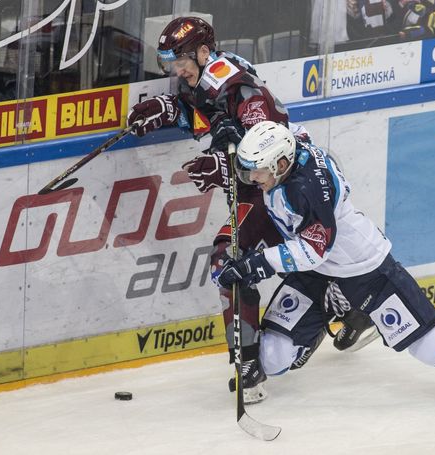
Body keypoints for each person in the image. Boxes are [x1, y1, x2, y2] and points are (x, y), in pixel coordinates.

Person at [217, 121, 435, 399]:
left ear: (280, 164)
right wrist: (241, 133)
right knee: (273, 361)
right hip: (320, 274)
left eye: (256, 171)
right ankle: (336, 306)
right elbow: (293, 130)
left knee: (433, 349)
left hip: (365, 270)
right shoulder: (292, 151)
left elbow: (312, 250)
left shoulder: (304, 190)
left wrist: (256, 264)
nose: (251, 179)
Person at [125, 17, 373, 404]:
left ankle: (265, 353)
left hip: (274, 195)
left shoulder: (242, 88)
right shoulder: (201, 80)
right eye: (170, 62)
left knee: (240, 259)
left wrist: (224, 167)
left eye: (181, 61)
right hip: (252, 193)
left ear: (204, 52)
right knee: (242, 263)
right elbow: (205, 119)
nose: (176, 69)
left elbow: (272, 154)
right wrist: (165, 110)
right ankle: (322, 317)